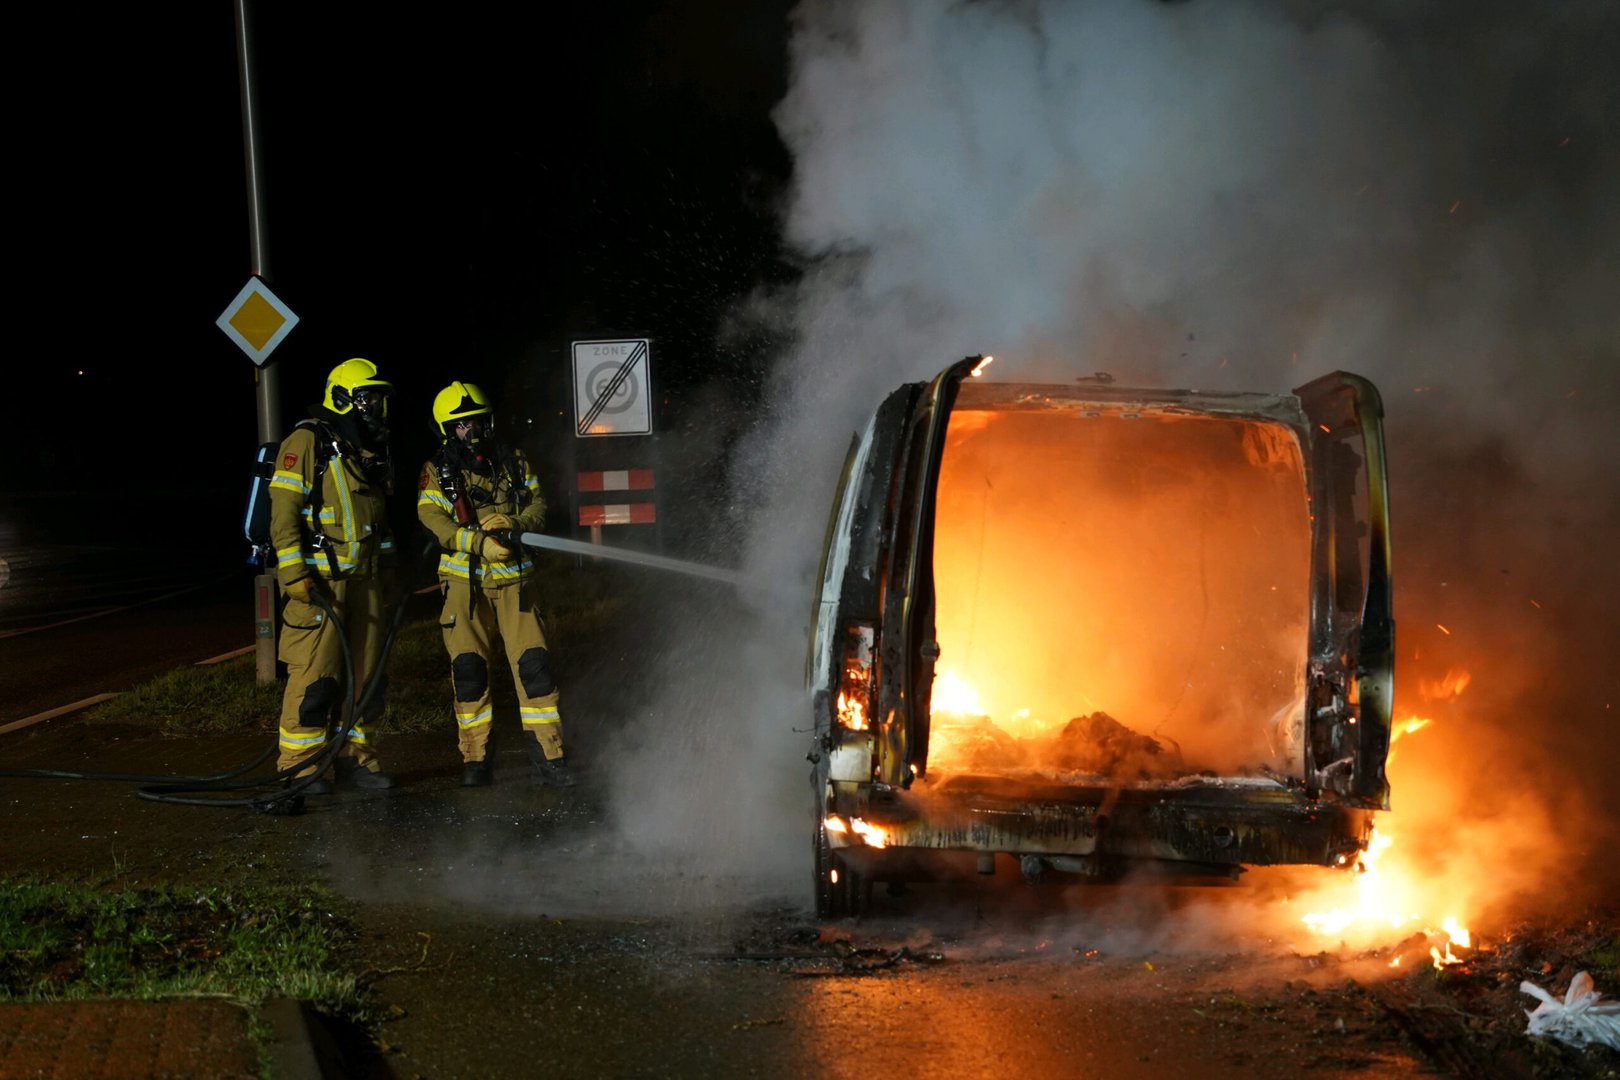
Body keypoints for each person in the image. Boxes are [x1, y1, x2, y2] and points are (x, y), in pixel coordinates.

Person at [416, 380, 574, 787]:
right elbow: (433, 521)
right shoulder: (436, 472)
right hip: (464, 587)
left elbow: (539, 506)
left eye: (477, 421)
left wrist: (514, 522)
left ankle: (551, 758)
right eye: (461, 425)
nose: (471, 431)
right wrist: (477, 543)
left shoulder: (514, 461)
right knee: (469, 672)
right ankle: (476, 761)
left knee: (535, 668)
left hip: (517, 587)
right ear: (446, 430)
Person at [267, 357, 398, 794]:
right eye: (368, 397)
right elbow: (283, 512)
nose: (376, 406)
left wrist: (388, 574)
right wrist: (293, 571)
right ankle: (299, 770)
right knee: (315, 679)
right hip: (320, 587)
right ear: (342, 398)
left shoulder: (369, 450)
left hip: (366, 583)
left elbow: (380, 522)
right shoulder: (307, 441)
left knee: (366, 680)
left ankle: (355, 760)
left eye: (379, 398)